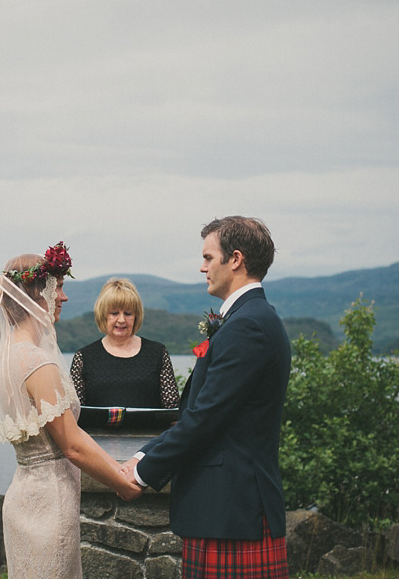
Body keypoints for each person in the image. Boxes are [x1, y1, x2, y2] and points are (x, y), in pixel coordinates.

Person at [121, 217, 292, 578]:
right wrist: (141, 453)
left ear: (236, 259)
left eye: (208, 257)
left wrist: (140, 472)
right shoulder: (251, 319)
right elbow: (200, 413)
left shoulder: (248, 325)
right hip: (225, 509)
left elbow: (206, 418)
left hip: (233, 508)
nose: (202, 267)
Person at [0, 242, 142, 578]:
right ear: (36, 293)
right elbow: (70, 442)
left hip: (24, 494)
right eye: (58, 288)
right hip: (48, 504)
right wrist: (122, 481)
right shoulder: (36, 360)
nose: (64, 298)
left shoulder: (11, 355)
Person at [70, 277, 180, 409]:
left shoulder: (157, 353)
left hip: (151, 430)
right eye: (114, 313)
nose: (121, 320)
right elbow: (75, 412)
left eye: (128, 313)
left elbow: (172, 409)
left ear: (136, 316)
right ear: (103, 315)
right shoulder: (83, 357)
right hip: (95, 431)